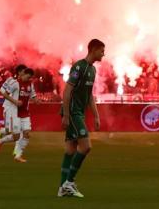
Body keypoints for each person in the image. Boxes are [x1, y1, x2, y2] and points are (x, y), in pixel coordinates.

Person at [59, 39, 105, 199]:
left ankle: (62, 187)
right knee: (86, 146)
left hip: (79, 112)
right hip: (72, 112)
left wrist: (96, 115)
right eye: (101, 51)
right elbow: (67, 91)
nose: (103, 54)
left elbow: (89, 95)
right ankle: (69, 183)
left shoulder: (92, 70)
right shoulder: (79, 67)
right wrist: (66, 114)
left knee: (70, 149)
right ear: (93, 50)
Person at [0, 65, 36, 162]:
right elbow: (3, 92)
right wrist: (15, 101)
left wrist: (36, 100)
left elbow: (33, 95)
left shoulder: (30, 84)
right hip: (12, 111)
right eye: (25, 73)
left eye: (30, 77)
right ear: (20, 73)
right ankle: (1, 140)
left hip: (25, 112)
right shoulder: (13, 82)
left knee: (26, 133)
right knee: (15, 135)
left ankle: (18, 155)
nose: (28, 78)